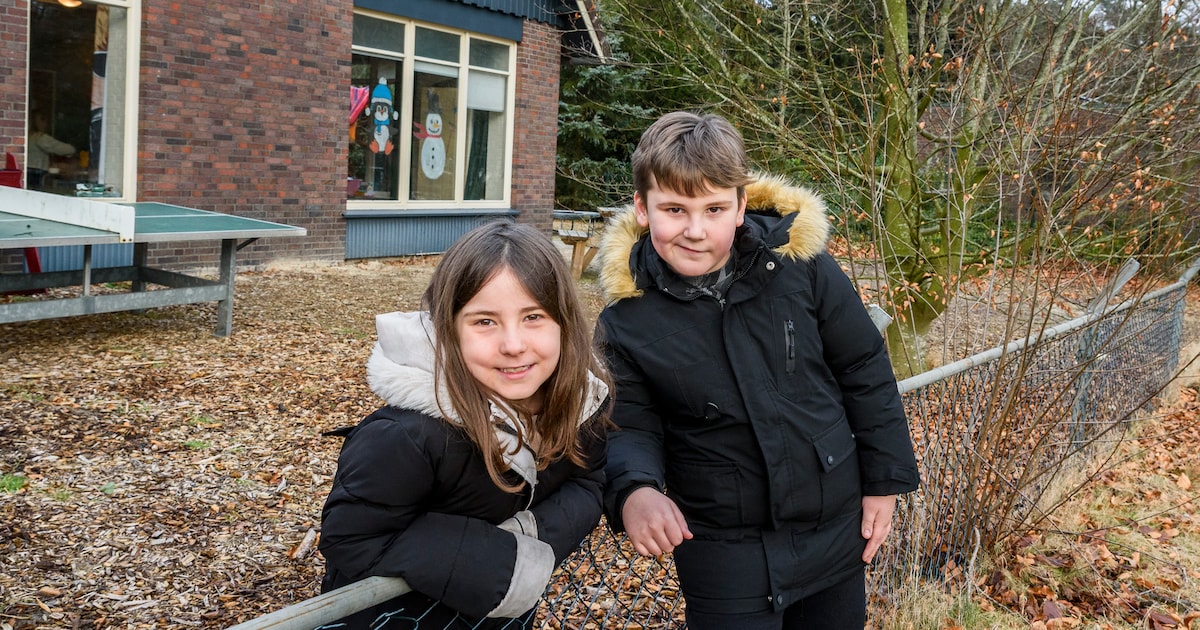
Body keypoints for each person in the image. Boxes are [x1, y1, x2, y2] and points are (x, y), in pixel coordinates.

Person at [595, 111, 920, 630]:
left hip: (834, 523)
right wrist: (636, 489)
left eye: (715, 209)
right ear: (642, 208)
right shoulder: (626, 321)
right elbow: (629, 424)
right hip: (723, 547)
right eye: (674, 209)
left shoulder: (803, 267)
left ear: (741, 206)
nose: (695, 230)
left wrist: (884, 481)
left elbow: (863, 367)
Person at [319, 221, 613, 629]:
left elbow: (588, 479)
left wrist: (530, 543)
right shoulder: (406, 436)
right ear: (449, 328)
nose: (513, 345)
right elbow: (351, 537)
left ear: (564, 323)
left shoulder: (581, 404)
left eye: (533, 316)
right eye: (485, 322)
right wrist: (507, 563)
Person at [26, 111, 76, 191]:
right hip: (37, 174)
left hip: (28, 172)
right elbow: (64, 149)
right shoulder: (40, 138)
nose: (46, 124)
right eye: (43, 120)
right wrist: (74, 149)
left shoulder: (27, 136)